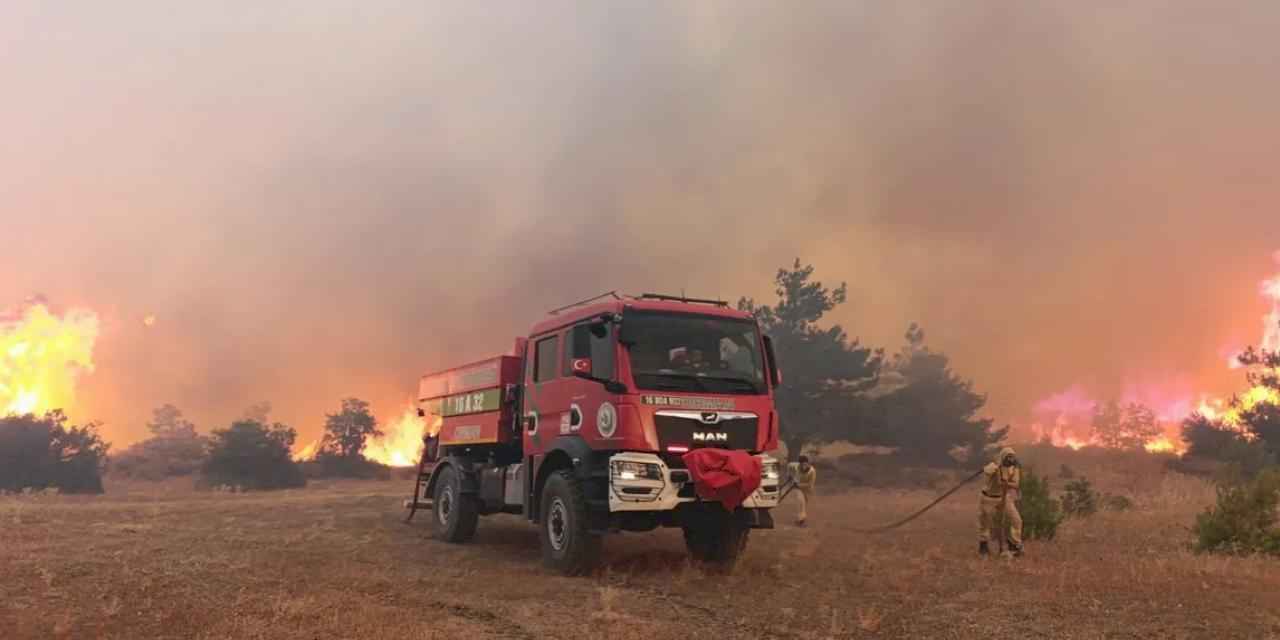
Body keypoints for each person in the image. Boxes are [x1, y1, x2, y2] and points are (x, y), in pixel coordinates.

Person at [978, 447, 1023, 557]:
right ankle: (983, 546)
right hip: (988, 498)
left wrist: (1005, 483)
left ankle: (1014, 544)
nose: (1010, 459)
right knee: (985, 523)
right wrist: (993, 468)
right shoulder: (995, 466)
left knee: (1016, 520)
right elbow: (987, 472)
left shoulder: (1013, 468)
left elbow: (1015, 484)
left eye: (1012, 456)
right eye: (1008, 457)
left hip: (1004, 497)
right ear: (1003, 457)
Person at [788, 455, 817, 527]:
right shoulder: (796, 466)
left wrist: (799, 484)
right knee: (801, 502)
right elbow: (789, 465)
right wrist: (788, 475)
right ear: (800, 464)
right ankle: (801, 520)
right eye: (802, 464)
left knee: (804, 504)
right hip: (798, 489)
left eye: (805, 464)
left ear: (808, 463)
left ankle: (799, 519)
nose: (804, 466)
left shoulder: (812, 471)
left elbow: (810, 484)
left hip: (807, 490)